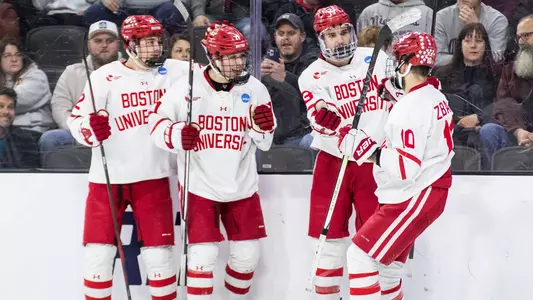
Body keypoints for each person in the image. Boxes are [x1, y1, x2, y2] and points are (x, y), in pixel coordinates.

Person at [148, 21, 276, 299]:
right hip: (199, 185)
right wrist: (176, 134)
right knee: (201, 257)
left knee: (247, 256)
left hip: (242, 185)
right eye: (229, 56)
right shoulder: (185, 88)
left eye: (241, 55)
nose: (237, 62)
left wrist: (263, 128)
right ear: (213, 56)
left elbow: (265, 141)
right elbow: (156, 125)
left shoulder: (255, 89)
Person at [67, 15, 190, 300]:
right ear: (131, 44)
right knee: (98, 257)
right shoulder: (103, 77)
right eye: (148, 42)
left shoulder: (174, 71)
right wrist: (90, 130)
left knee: (159, 259)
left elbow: (215, 73)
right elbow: (77, 121)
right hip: (106, 181)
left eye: (159, 42)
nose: (156, 48)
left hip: (154, 176)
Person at [337, 31, 454, 299]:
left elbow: (406, 168)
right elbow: (422, 127)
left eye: (398, 60)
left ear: (407, 63)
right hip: (428, 190)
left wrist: (368, 151)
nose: (395, 66)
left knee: (359, 255)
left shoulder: (409, 108)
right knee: (387, 269)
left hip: (416, 193)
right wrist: (399, 98)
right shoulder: (435, 95)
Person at [297, 5, 391, 299]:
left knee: (376, 238)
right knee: (328, 243)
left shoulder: (377, 59)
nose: (339, 40)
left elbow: (400, 96)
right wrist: (324, 121)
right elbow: (319, 116)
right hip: (334, 162)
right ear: (320, 40)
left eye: (342, 32)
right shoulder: (310, 76)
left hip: (375, 160)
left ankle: (383, 292)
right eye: (331, 35)